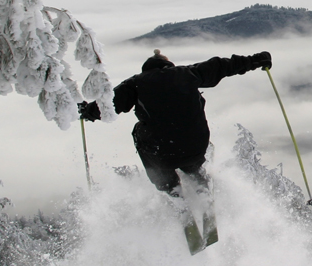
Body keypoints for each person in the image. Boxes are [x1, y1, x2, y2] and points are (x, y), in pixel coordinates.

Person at [77, 49, 272, 196]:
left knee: (140, 133)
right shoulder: (189, 73)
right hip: (195, 147)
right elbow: (222, 66)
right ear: (167, 66)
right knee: (191, 153)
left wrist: (87, 112)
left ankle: (170, 189)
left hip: (162, 152)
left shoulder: (136, 83)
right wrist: (257, 60)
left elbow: (108, 105)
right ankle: (200, 182)